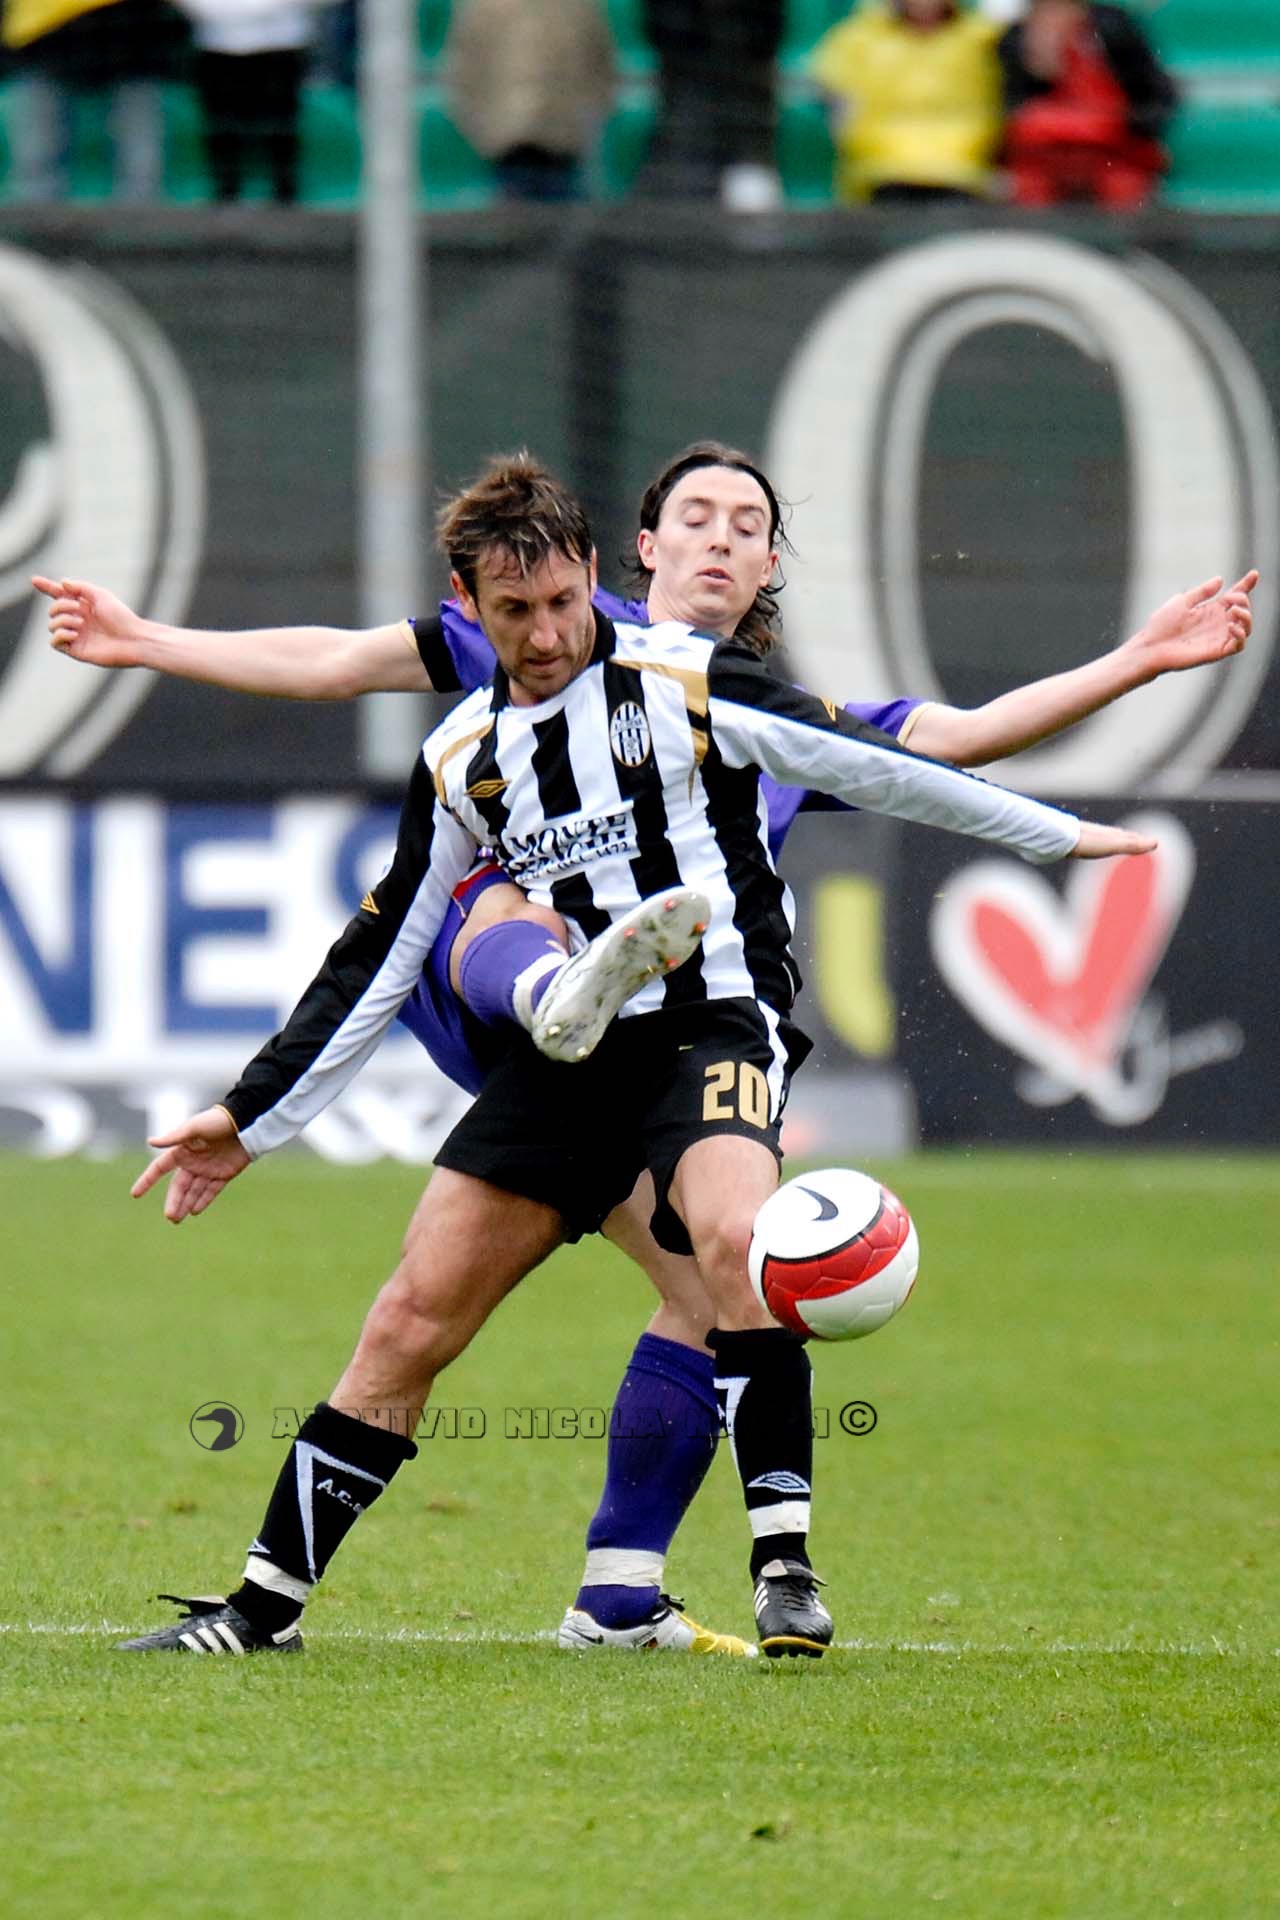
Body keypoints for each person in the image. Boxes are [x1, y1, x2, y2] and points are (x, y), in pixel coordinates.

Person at [37, 445, 1255, 1657]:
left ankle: (746, 1572)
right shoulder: (472, 732)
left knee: (727, 1252)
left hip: (707, 1020)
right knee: (421, 1279)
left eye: (747, 522)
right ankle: (262, 1610)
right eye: (697, 515)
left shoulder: (718, 688)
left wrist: (1066, 819)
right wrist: (250, 1118)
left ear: (758, 561)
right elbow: (370, 893)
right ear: (638, 545)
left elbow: (919, 757)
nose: (541, 631)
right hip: (544, 1036)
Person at [810, 0, 1003, 206]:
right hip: (879, 170)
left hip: (963, 170)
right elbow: (827, 87)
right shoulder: (855, 38)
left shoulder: (984, 38)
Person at [997, 0, 1178, 210]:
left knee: (1124, 192)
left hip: (1113, 155)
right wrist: (1039, 69)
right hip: (1045, 160)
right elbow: (1010, 112)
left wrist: (1124, 124)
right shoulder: (1016, 39)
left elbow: (1154, 97)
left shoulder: (1114, 30)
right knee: (1029, 193)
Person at [1, 0, 186, 203]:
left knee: (141, 172)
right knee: (37, 167)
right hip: (43, 35)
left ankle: (143, 215)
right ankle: (33, 217)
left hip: (133, 31)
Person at [444, 0, 616, 205]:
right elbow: (464, 78)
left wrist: (583, 125)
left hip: (564, 151)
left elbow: (601, 71)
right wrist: (487, 134)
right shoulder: (483, 9)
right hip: (507, 155)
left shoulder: (579, 8)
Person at [174, 0, 339, 205]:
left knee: (280, 124)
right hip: (217, 44)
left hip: (282, 45)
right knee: (223, 124)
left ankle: (285, 195)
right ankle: (225, 194)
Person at [634, 0, 786, 211]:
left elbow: (767, 38)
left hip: (748, 137)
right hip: (681, 137)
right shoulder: (673, 16)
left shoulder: (756, 18)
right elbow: (659, 34)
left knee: (754, 205)